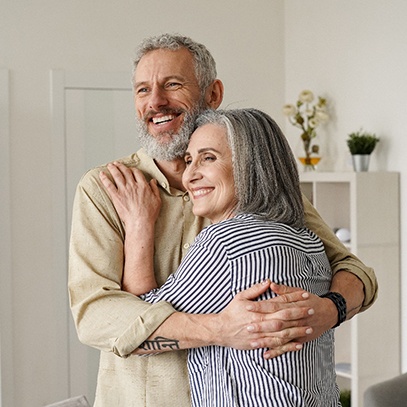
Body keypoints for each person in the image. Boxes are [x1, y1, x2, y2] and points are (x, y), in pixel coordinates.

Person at [68, 33, 377, 406]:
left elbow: (353, 270)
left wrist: (328, 310)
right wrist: (220, 329)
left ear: (213, 94)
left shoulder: (258, 189)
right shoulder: (105, 189)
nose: (155, 102)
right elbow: (95, 315)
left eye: (172, 85)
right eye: (142, 90)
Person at [105, 108, 341, 406]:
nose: (190, 175)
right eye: (189, 160)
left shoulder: (226, 242)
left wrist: (139, 224)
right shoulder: (310, 242)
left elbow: (139, 328)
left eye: (209, 158)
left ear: (251, 166)